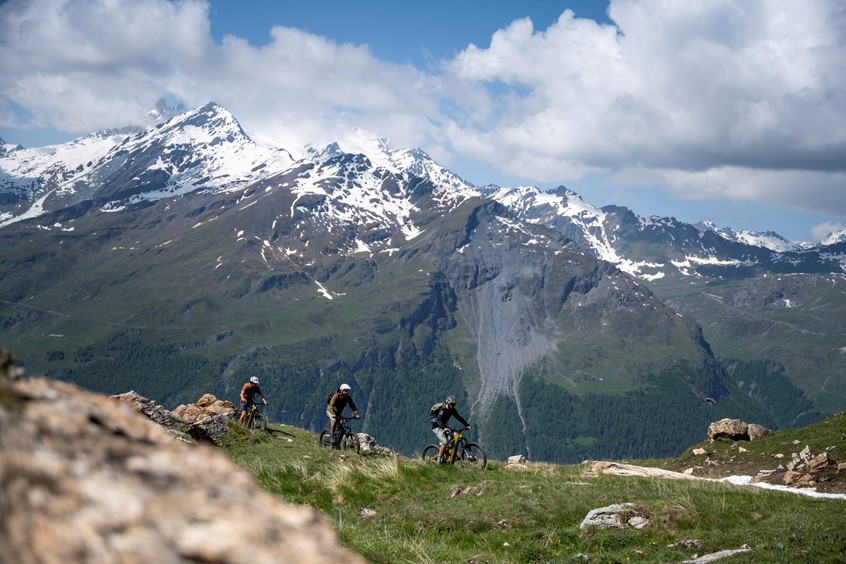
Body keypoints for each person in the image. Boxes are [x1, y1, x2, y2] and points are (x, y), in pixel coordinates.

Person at [431, 395, 470, 463]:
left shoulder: (452, 410)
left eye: (454, 404)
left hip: (444, 426)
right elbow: (438, 420)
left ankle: (452, 453)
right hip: (437, 427)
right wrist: (444, 428)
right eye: (452, 404)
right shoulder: (443, 409)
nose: (453, 406)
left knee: (456, 434)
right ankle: (439, 460)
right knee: (445, 442)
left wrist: (467, 425)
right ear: (448, 403)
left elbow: (458, 417)